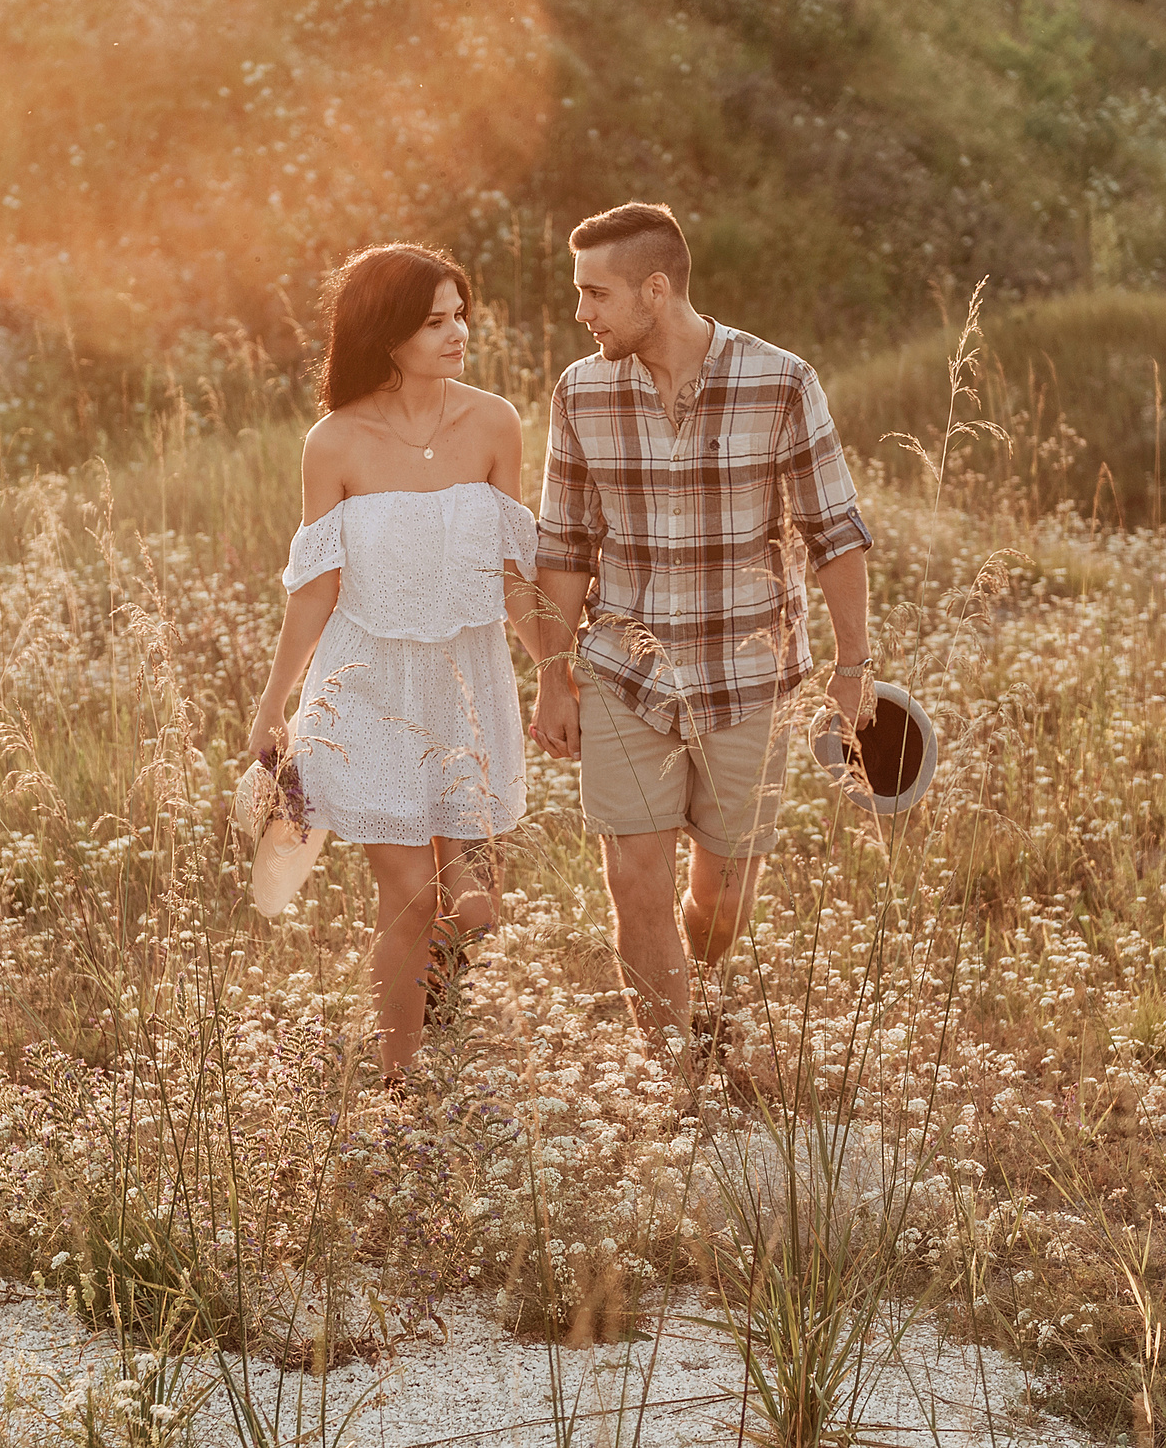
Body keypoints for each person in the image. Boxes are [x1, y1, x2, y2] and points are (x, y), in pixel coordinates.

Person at [528, 202, 875, 1052]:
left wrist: (853, 665)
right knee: (633, 881)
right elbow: (565, 544)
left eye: (596, 293)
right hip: (622, 673)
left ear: (656, 288)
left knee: (720, 900)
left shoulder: (781, 381)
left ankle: (702, 979)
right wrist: (550, 673)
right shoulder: (580, 391)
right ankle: (671, 1073)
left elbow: (834, 533)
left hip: (747, 676)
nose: (581, 311)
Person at [249, 243, 549, 1080]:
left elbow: (515, 575)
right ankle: (399, 1083)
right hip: (367, 686)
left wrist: (557, 676)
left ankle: (434, 998)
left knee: (471, 907)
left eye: (460, 316)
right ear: (387, 335)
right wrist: (274, 704)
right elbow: (315, 587)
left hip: (466, 683)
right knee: (411, 895)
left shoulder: (494, 423)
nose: (458, 334)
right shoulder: (334, 441)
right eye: (434, 322)